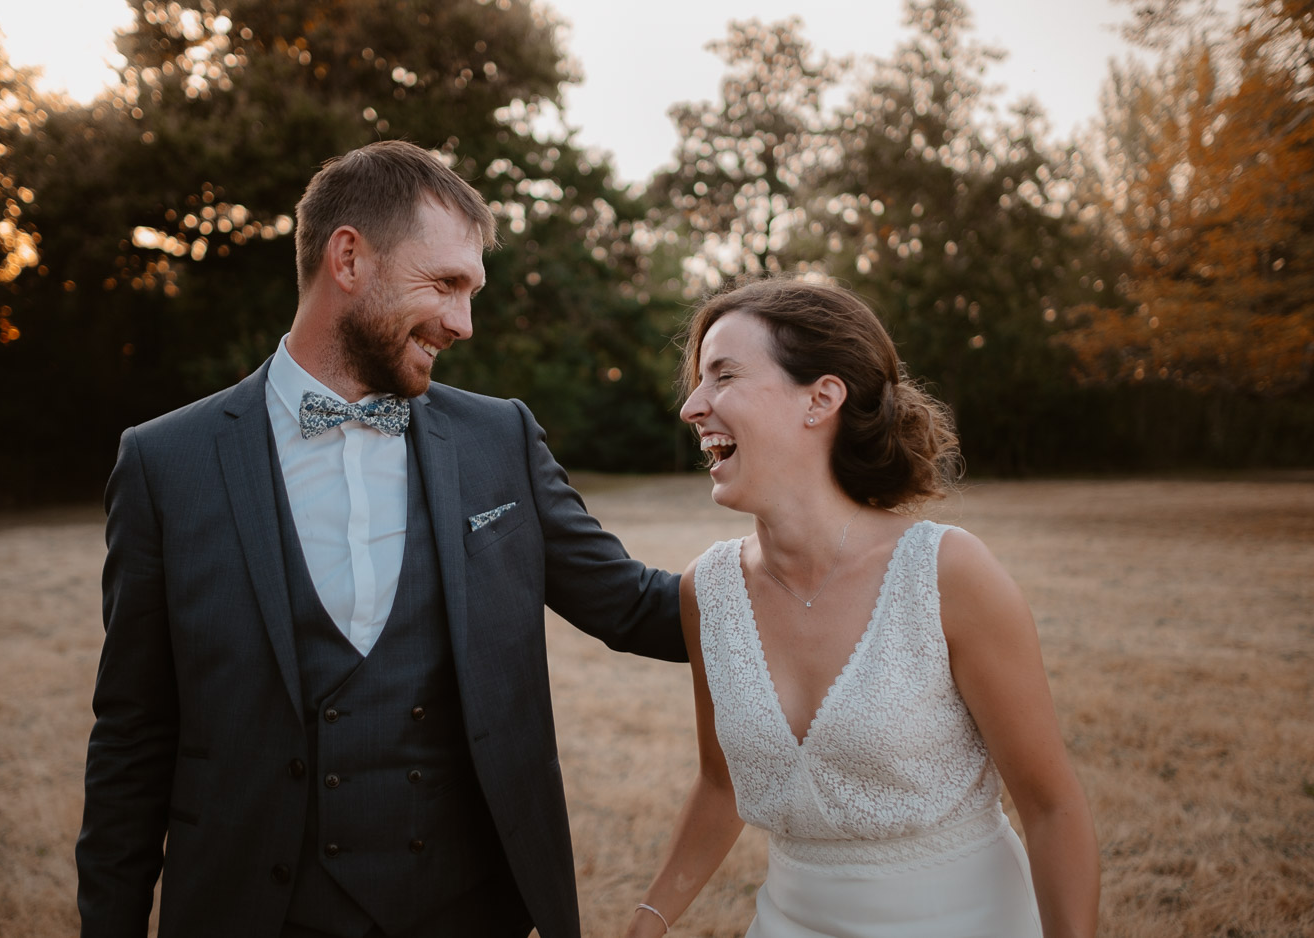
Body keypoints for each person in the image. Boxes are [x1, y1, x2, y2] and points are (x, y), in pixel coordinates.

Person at [75, 140, 684, 938]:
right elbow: (134, 732)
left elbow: (634, 605)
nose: (464, 323)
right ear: (349, 259)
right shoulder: (166, 463)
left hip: (470, 914)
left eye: (473, 292)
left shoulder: (498, 437)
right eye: (446, 284)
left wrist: (816, 577)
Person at [624, 279, 1098, 938]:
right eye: (698, 382)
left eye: (723, 376)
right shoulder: (708, 591)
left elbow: (1051, 808)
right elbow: (720, 782)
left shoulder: (948, 575)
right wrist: (651, 916)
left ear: (821, 398)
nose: (692, 407)